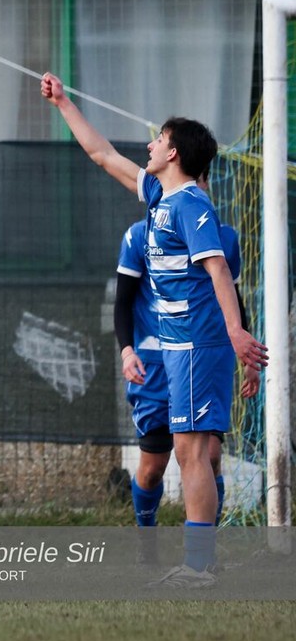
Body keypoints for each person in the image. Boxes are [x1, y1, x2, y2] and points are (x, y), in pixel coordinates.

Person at [41, 72, 268, 586]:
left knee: (195, 453)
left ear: (174, 154)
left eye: (158, 139)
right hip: (178, 346)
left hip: (199, 344)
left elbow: (217, 270)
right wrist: (64, 103)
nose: (149, 145)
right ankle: (198, 563)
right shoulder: (159, 199)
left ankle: (199, 566)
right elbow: (103, 156)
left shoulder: (191, 205)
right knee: (187, 452)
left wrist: (236, 334)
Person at [116, 176, 260, 528]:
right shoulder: (141, 236)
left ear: (205, 181)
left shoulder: (221, 237)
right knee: (153, 467)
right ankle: (147, 542)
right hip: (154, 364)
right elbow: (123, 301)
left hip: (200, 355)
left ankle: (204, 546)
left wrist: (248, 354)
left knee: (208, 454)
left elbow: (233, 298)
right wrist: (127, 351)